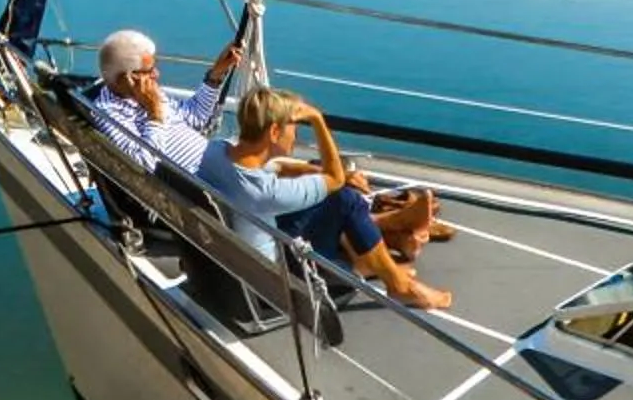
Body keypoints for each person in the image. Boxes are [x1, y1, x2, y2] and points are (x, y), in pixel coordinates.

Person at [201, 88, 450, 310]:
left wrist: (311, 169)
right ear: (275, 132)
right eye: (295, 128)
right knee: (345, 199)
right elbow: (336, 178)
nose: (296, 136)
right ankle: (397, 284)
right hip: (275, 281)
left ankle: (388, 253)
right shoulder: (266, 192)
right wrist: (318, 120)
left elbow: (273, 168)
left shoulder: (215, 151)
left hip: (233, 255)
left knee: (327, 185)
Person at [87, 27, 244, 175]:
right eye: (149, 71)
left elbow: (196, 117)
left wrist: (215, 75)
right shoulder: (108, 114)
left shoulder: (146, 93)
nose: (157, 74)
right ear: (126, 79)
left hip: (217, 163)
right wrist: (154, 114)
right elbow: (144, 165)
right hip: (204, 181)